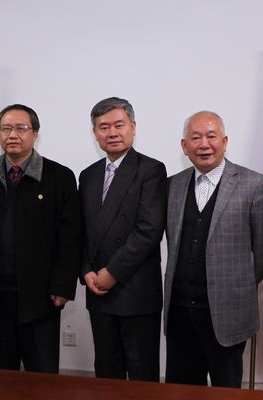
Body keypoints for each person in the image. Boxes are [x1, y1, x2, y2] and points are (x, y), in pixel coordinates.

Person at [0, 104, 80, 373]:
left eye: (20, 128)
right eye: (6, 129)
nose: (12, 135)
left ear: (35, 133)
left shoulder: (59, 177)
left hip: (41, 297)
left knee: (42, 376)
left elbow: (70, 238)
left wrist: (63, 286)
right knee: (0, 376)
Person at [163, 111, 263, 387]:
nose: (204, 144)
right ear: (184, 146)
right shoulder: (172, 185)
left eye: (211, 136)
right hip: (180, 312)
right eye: (196, 138)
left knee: (226, 389)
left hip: (228, 313)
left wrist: (237, 283)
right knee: (181, 390)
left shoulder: (255, 185)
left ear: (225, 142)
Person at [79, 97, 167, 381]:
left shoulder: (151, 170)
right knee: (106, 372)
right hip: (98, 290)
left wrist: (111, 273)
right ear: (95, 133)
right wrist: (87, 271)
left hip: (136, 291)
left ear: (133, 127)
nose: (112, 133)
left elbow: (149, 230)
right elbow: (82, 230)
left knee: (142, 376)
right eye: (104, 127)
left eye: (119, 125)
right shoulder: (89, 175)